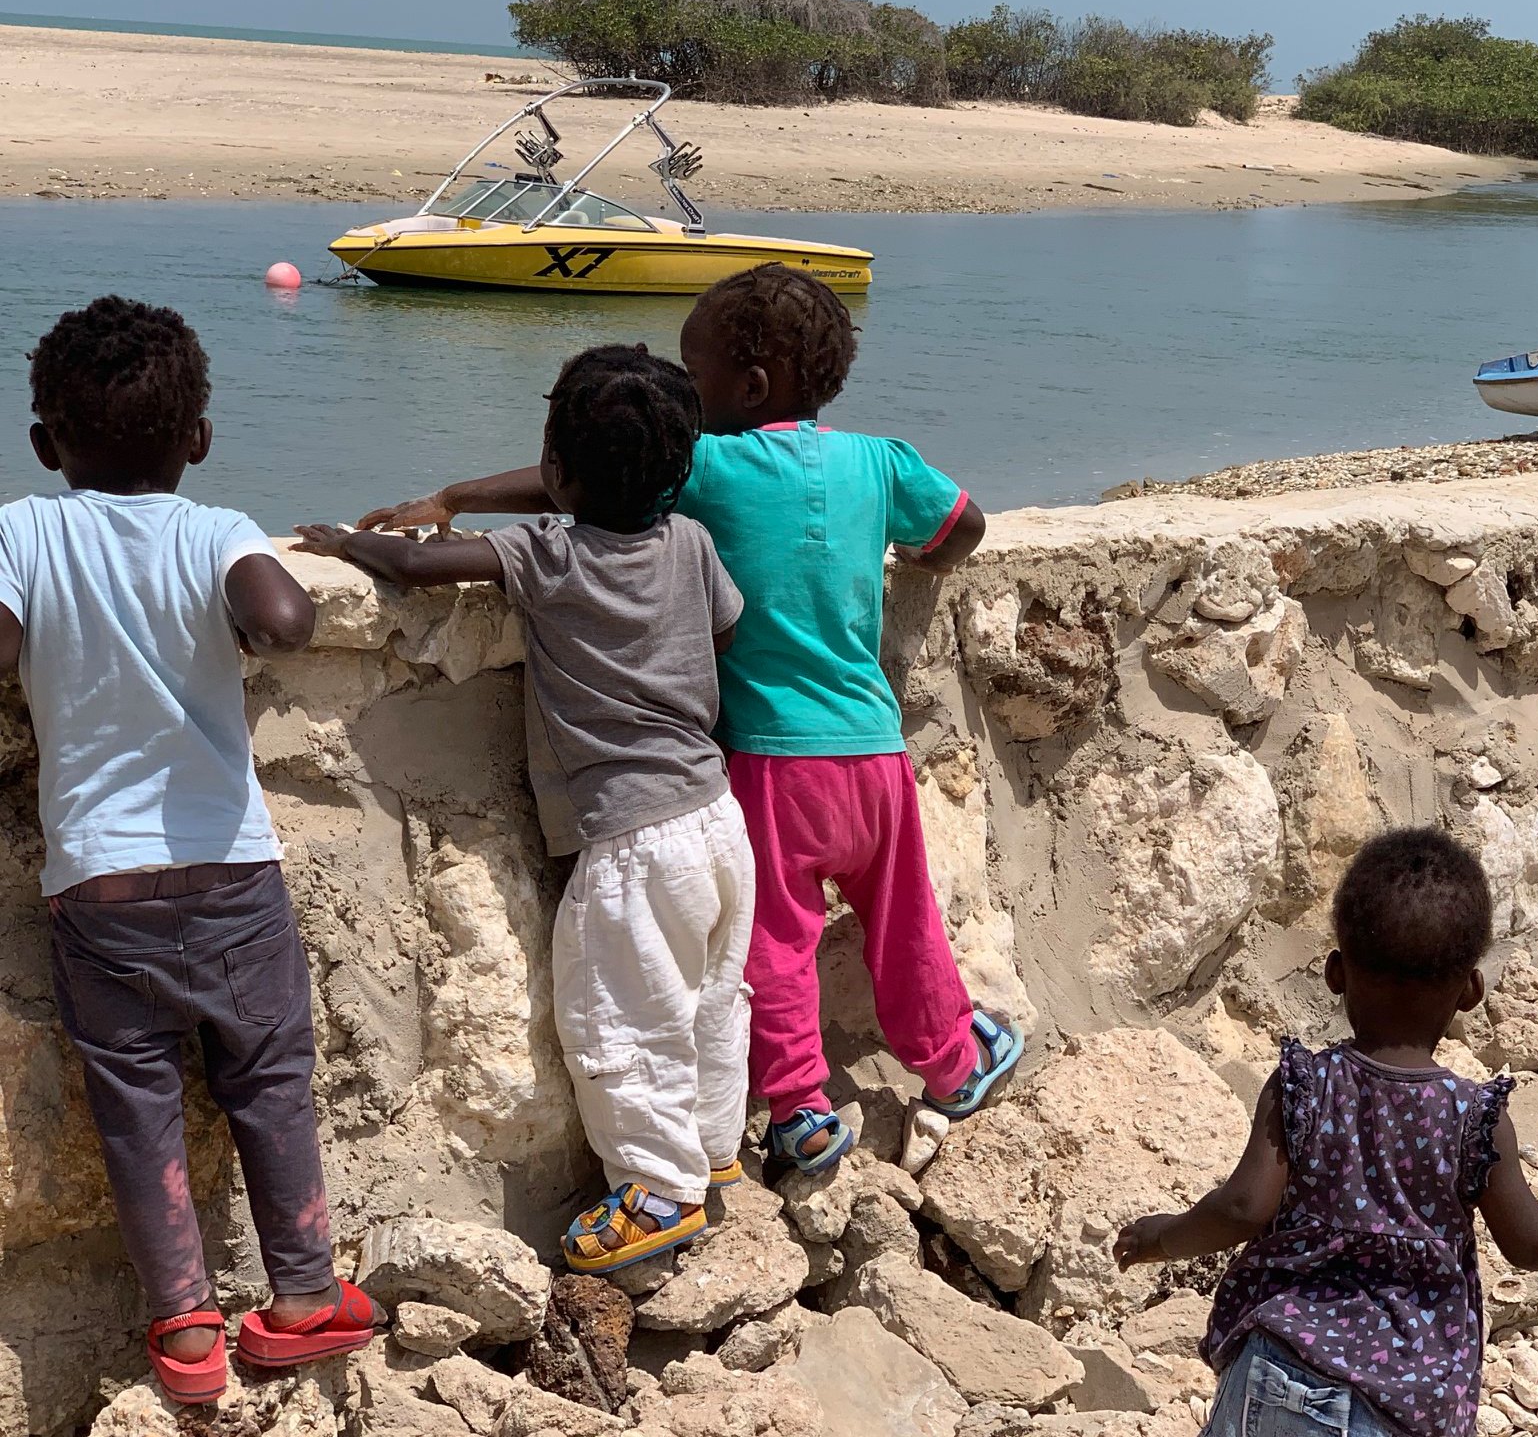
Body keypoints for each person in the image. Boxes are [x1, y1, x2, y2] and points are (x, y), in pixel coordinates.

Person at [352, 265, 1019, 1174]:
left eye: (694, 375)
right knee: (907, 922)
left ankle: (798, 1107)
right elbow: (962, 527)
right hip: (875, 752)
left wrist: (457, 495)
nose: (685, 397)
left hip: (771, 765)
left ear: (751, 386)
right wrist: (917, 563)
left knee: (776, 944)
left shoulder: (709, 464)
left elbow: (582, 479)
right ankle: (951, 1065)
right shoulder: (881, 461)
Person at [295, 347, 753, 1274]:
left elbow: (415, 567)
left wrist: (349, 545)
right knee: (709, 998)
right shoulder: (693, 544)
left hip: (630, 839)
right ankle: (712, 1149)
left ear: (554, 467)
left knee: (618, 1016)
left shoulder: (549, 553)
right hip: (714, 814)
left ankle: (659, 1188)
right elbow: (727, 626)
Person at [5, 297, 381, 1404]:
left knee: (135, 1100)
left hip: (99, 885)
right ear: (201, 437)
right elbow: (289, 622)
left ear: (45, 444)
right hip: (232, 872)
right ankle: (303, 1298)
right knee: (268, 1079)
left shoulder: (23, 530)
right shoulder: (218, 529)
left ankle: (184, 1330)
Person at [1115, 828, 1538, 1437]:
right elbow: (1535, 1245)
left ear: (1335, 973)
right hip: (1403, 1400)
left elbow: (1242, 1207)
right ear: (1472, 991)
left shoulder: (1303, 1087)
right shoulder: (1474, 1119)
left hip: (1278, 1368)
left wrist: (1161, 1238)